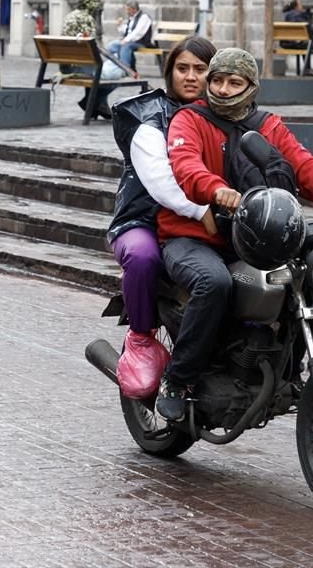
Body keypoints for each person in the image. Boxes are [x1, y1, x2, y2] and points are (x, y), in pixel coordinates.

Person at [155, 48, 313, 422]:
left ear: (251, 86)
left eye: (234, 82)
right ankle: (178, 380)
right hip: (193, 238)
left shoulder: (268, 125)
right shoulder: (189, 119)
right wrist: (215, 190)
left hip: (256, 238)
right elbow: (186, 166)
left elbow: (306, 169)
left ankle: (281, 363)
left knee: (301, 277)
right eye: (217, 80)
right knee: (213, 283)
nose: (224, 89)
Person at [107, 36, 218, 374]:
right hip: (143, 221)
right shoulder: (149, 118)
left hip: (203, 223)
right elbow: (160, 182)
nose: (190, 76)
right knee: (143, 257)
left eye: (200, 69)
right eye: (182, 68)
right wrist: (201, 211)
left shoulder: (224, 114)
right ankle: (140, 338)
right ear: (169, 73)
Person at [61, 0, 115, 120]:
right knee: (116, 78)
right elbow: (93, 46)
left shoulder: (70, 16)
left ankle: (97, 106)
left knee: (97, 69)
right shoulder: (87, 19)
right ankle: (90, 103)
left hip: (67, 66)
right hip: (82, 68)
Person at [107, 0, 152, 78]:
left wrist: (126, 40)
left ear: (134, 9)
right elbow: (127, 31)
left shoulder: (144, 17)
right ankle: (120, 67)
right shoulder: (132, 18)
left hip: (141, 42)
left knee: (126, 47)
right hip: (130, 42)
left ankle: (125, 70)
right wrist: (119, 25)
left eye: (128, 9)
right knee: (112, 45)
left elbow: (138, 32)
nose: (127, 12)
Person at [282, 0, 313, 75]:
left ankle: (308, 68)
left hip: (287, 43)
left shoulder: (286, 15)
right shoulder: (300, 15)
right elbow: (309, 30)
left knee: (306, 42)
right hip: (299, 42)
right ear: (296, 7)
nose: (302, 6)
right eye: (300, 4)